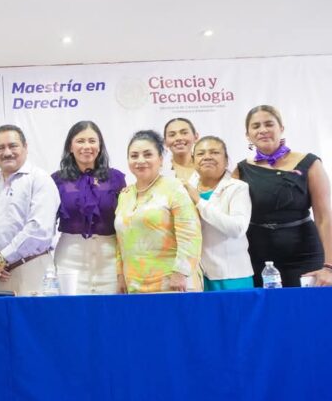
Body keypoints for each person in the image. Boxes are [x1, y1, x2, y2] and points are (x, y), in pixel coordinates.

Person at [234, 105, 332, 287]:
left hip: (305, 254)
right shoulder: (240, 170)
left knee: (307, 311)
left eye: (269, 124)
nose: (263, 130)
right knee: (267, 313)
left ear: (281, 128)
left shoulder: (309, 163)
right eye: (256, 126)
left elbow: (324, 217)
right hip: (257, 257)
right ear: (248, 135)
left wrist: (329, 267)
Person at [114, 130, 202, 293]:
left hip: (173, 283)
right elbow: (120, 240)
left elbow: (191, 234)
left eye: (148, 154)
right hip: (134, 284)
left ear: (160, 159)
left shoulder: (174, 188)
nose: (140, 160)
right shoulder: (124, 195)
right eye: (134, 156)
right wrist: (120, 275)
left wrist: (180, 272)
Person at [0, 125, 59, 295]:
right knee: (2, 322)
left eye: (13, 146)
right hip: (0, 275)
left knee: (37, 321)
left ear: (25, 147)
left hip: (33, 269)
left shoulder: (39, 179)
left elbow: (39, 230)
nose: (7, 152)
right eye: (0, 148)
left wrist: (2, 258)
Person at [51, 121, 126, 294]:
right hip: (69, 258)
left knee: (109, 313)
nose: (87, 146)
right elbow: (47, 223)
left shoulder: (115, 178)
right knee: (72, 314)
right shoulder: (56, 180)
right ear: (70, 146)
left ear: (100, 146)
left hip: (109, 259)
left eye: (92, 141)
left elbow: (125, 221)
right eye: (80, 141)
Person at [182, 137, 253, 291]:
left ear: (227, 161)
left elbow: (237, 229)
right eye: (201, 153)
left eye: (214, 152)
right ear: (193, 161)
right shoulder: (184, 188)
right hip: (197, 277)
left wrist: (198, 201)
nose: (207, 156)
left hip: (232, 276)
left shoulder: (238, 188)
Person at [163, 117, 199, 184]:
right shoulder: (159, 170)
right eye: (172, 135)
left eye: (184, 133)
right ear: (165, 142)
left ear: (196, 137)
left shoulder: (206, 166)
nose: (178, 138)